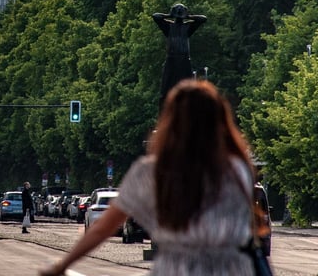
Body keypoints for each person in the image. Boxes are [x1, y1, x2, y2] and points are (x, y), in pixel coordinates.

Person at [39, 80, 258, 276]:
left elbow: (103, 227)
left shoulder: (151, 172)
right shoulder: (239, 169)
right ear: (219, 121)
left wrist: (62, 265)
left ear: (171, 121)